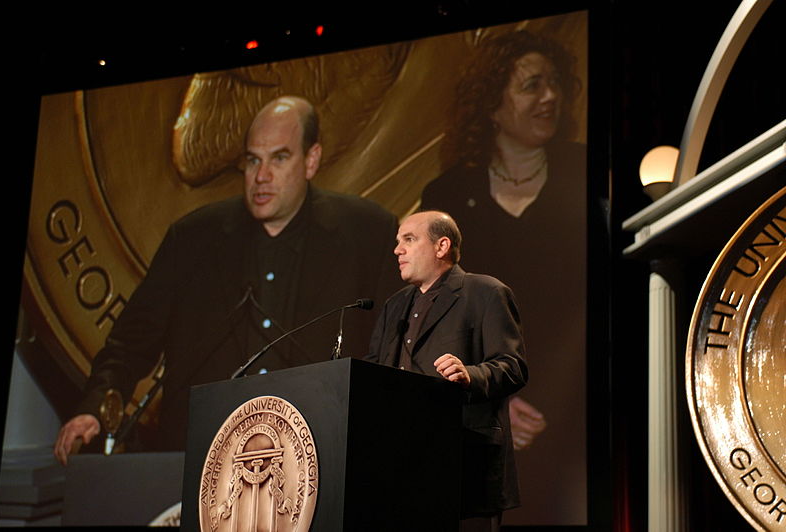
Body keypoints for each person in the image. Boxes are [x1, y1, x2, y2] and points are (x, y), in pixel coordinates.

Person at [54, 96, 401, 464]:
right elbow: (130, 343)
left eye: (279, 158)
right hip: (205, 459)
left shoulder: (368, 233)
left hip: (321, 459)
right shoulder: (192, 239)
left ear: (311, 160)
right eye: (253, 160)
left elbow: (396, 351)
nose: (261, 176)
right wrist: (94, 408)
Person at [420, 30, 587, 522]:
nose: (550, 96)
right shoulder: (449, 192)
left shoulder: (586, 171)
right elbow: (435, 314)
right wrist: (495, 396)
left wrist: (552, 396)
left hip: (580, 409)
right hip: (481, 412)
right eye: (532, 85)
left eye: (554, 83)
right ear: (492, 105)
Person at [366, 210, 527, 531]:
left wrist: (470, 374)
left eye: (408, 240)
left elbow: (513, 367)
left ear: (442, 246)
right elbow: (373, 373)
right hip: (398, 468)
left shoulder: (485, 292)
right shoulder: (394, 306)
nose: (397, 250)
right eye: (397, 242)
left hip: (463, 465)